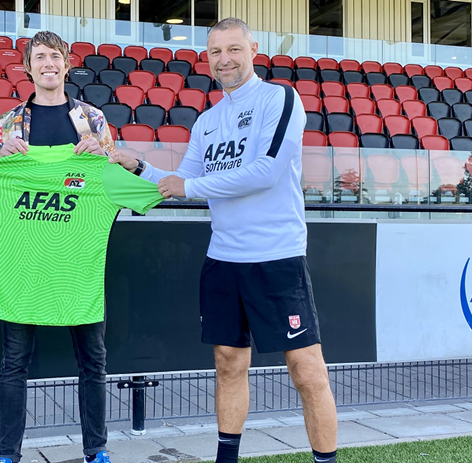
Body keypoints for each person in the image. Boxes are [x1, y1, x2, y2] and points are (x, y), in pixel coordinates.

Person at [110, 18, 340, 463]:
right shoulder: (207, 121)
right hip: (223, 259)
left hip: (277, 257)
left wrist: (187, 187)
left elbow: (266, 171)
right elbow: (181, 180)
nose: (224, 59)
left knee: (307, 370)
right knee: (228, 364)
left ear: (253, 49)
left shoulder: (280, 98)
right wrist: (139, 167)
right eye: (215, 52)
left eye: (234, 49)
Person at [0, 31, 117, 463]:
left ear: (67, 64)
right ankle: (8, 454)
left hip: (78, 268)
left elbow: (114, 181)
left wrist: (104, 156)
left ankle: (96, 450)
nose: (48, 63)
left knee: (93, 362)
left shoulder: (92, 119)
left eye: (55, 56)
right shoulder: (9, 123)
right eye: (39, 56)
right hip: (22, 269)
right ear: (28, 66)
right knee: (13, 364)